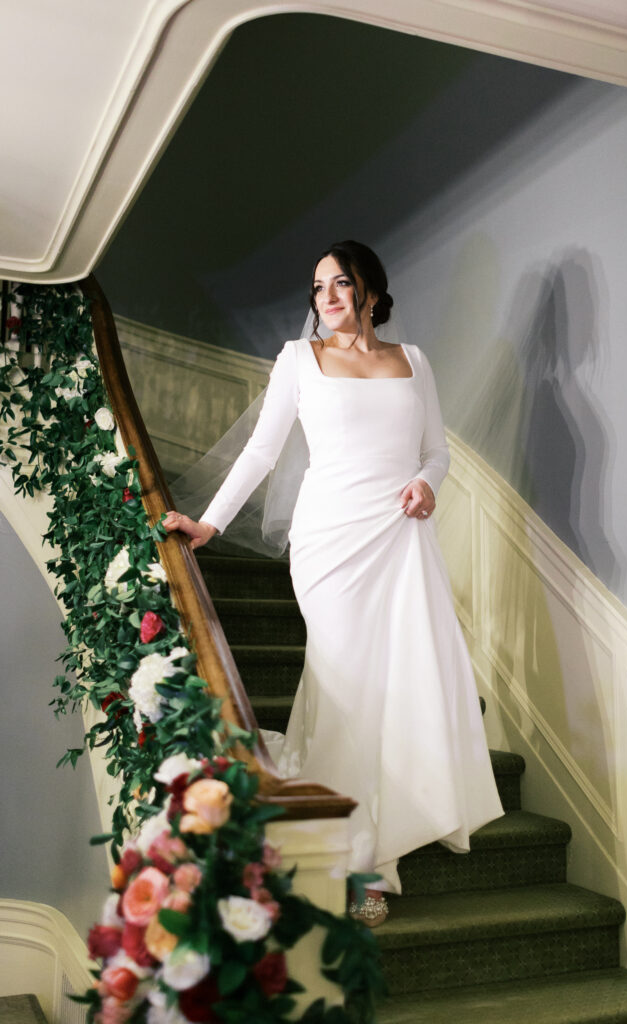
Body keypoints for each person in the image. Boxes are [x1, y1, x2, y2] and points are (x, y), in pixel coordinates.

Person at [163, 240, 504, 925]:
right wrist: (210, 524)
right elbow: (263, 447)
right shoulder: (299, 361)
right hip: (328, 543)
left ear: (371, 292)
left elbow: (434, 452)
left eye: (340, 283)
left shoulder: (414, 363)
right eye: (317, 287)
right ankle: (356, 858)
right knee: (344, 680)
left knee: (397, 683)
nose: (326, 297)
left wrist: (424, 483)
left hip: (399, 535)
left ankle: (379, 826)